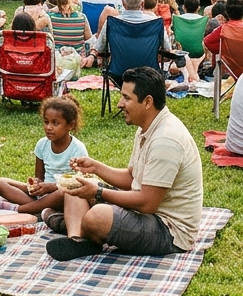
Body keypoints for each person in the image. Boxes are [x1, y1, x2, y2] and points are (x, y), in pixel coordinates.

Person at [45, 66, 203, 261]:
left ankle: (79, 225)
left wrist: (98, 192)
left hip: (169, 230)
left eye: (126, 98)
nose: (120, 104)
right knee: (77, 187)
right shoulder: (147, 128)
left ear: (147, 102)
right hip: (145, 212)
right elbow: (132, 178)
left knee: (98, 216)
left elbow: (147, 204)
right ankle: (78, 240)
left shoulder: (166, 139)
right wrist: (96, 167)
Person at [0, 96, 89, 215]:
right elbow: (39, 177)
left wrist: (51, 187)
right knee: (0, 182)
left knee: (65, 193)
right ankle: (37, 208)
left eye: (55, 123)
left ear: (70, 125)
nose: (48, 127)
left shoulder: (78, 149)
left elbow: (80, 183)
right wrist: (36, 185)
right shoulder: (42, 144)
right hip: (43, 194)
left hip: (61, 195)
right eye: (46, 122)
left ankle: (20, 209)